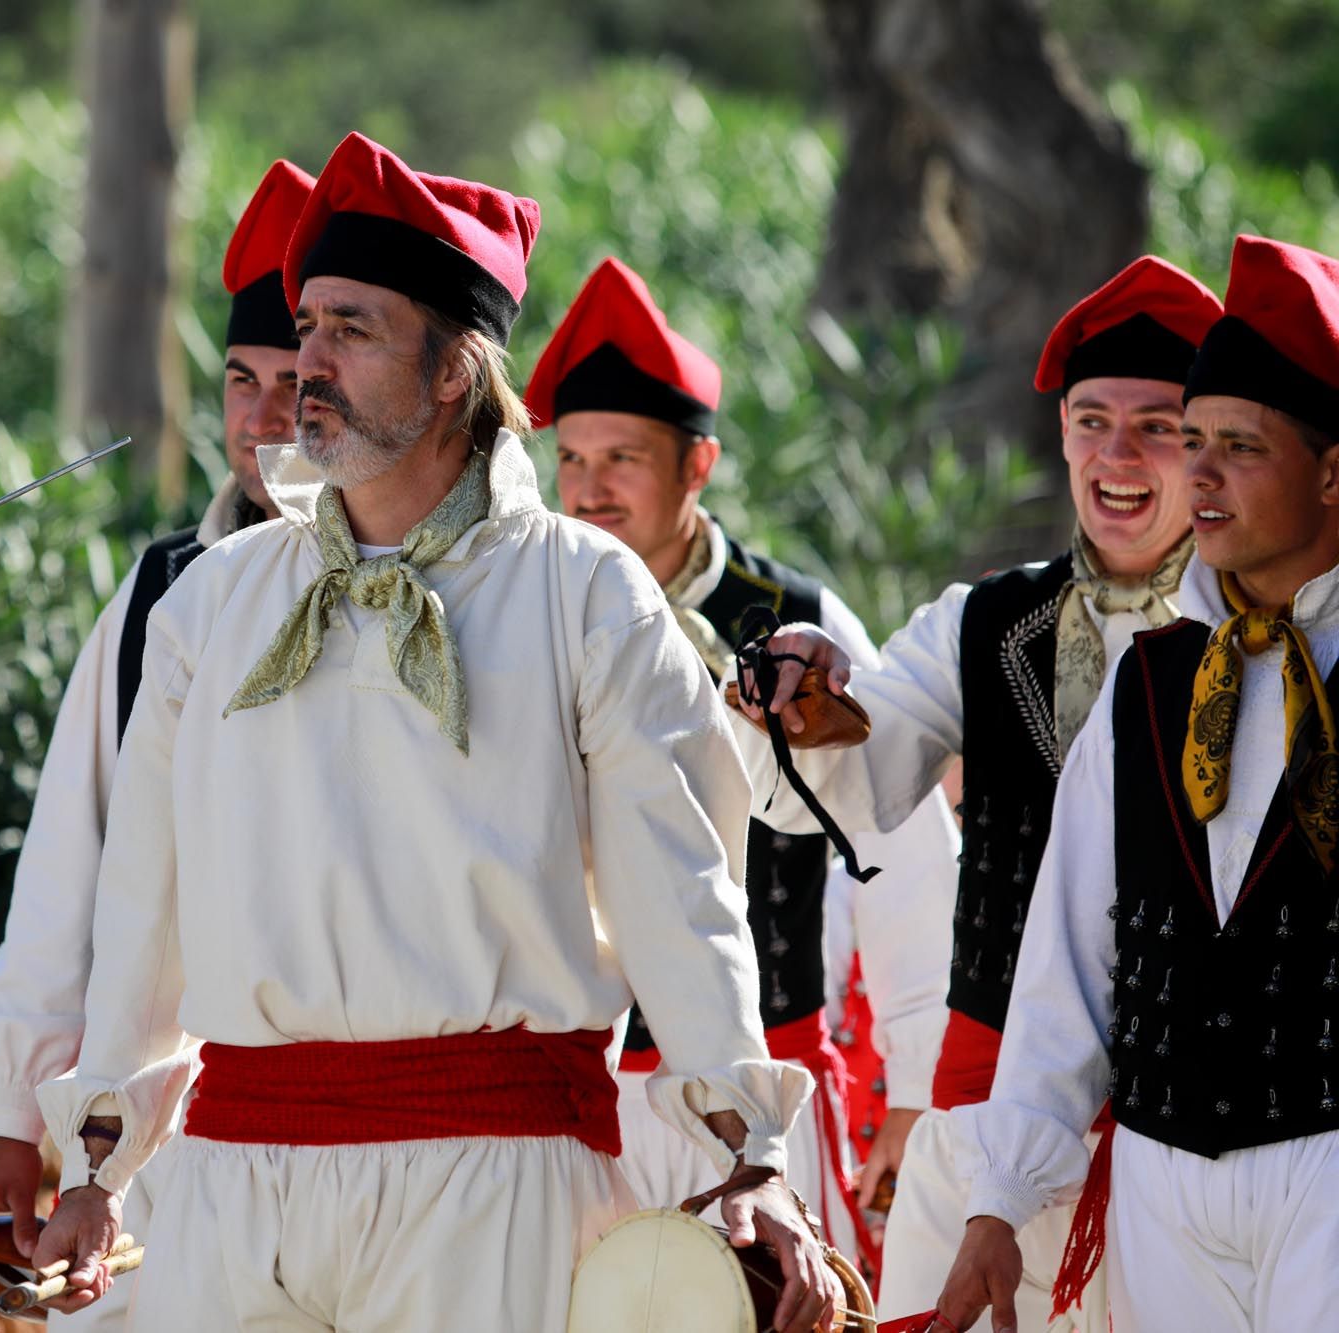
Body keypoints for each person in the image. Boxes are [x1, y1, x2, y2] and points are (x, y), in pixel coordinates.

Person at [26, 131, 840, 1333]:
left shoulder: (584, 591)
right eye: (306, 326)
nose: (307, 361)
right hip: (234, 1178)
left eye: (352, 330)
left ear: (454, 369)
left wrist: (752, 1146)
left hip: (495, 1178)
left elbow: (681, 889)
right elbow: (143, 894)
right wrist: (102, 1157)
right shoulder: (214, 597)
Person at [734, 255, 1221, 1330]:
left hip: (1183, 1132)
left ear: (1213, 449)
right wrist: (806, 699)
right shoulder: (983, 620)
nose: (1117, 453)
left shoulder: (1259, 640)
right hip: (982, 1102)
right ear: (1058, 435)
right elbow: (855, 770)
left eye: (1158, 425)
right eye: (1091, 419)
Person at [935, 234, 1339, 1333]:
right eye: (1190, 440)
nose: (1194, 476)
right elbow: (1069, 957)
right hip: (1159, 1179)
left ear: (1332, 470)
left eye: (1237, 448)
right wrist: (997, 1202)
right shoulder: (1146, 683)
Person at [525, 256, 961, 1267]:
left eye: (621, 458)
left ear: (697, 465)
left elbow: (897, 845)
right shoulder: (527, 609)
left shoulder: (797, 620)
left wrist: (913, 1086)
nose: (589, 490)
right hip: (564, 1084)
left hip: (757, 1078)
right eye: (573, 459)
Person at [0, 158, 313, 1323]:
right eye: (240, 381)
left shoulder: (458, 597)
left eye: (296, 382)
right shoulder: (156, 597)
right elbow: (72, 876)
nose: (260, 421)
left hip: (399, 1139)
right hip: (162, 1143)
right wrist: (16, 1118)